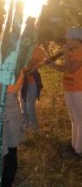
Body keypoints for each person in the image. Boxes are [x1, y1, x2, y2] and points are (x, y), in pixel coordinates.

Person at [49, 27, 82, 158]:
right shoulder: (74, 52)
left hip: (79, 90)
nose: (66, 41)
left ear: (75, 39)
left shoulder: (80, 52)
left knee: (80, 120)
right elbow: (66, 69)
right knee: (74, 120)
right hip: (69, 89)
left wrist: (66, 53)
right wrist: (53, 65)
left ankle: (78, 150)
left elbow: (72, 69)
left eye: (68, 39)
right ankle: (74, 145)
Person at [20, 45, 46, 132]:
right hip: (22, 81)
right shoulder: (19, 50)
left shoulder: (36, 50)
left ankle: (34, 127)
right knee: (23, 105)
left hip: (32, 81)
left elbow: (38, 62)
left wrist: (35, 62)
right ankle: (25, 124)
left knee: (29, 105)